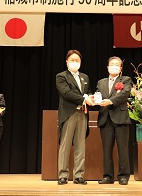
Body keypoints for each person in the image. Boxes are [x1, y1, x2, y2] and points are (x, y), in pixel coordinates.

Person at [56, 50, 95, 185]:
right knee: (65, 145)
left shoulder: (84, 77)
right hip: (68, 113)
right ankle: (63, 175)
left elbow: (87, 92)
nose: (74, 63)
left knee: (80, 145)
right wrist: (84, 100)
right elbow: (66, 93)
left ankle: (79, 175)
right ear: (67, 62)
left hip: (82, 114)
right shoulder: (61, 76)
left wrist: (91, 97)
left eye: (77, 60)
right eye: (72, 60)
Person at [95, 56, 132, 185]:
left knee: (122, 149)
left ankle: (123, 176)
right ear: (107, 67)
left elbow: (124, 94)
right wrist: (93, 99)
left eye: (117, 65)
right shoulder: (101, 82)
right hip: (105, 118)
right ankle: (108, 176)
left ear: (120, 68)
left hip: (120, 118)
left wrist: (110, 101)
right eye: (112, 64)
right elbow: (98, 95)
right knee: (106, 149)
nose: (114, 66)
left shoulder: (126, 80)